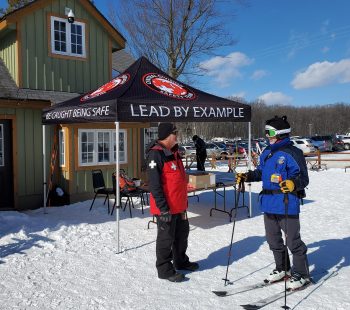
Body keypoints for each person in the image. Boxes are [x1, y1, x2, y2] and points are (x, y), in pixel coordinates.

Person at [236, 115, 310, 290]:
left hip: (286, 203)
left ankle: (303, 274)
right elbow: (261, 172)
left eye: (269, 132)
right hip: (268, 203)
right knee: (273, 240)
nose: (267, 135)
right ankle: (283, 268)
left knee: (293, 241)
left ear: (280, 133)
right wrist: (248, 176)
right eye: (266, 132)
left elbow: (303, 178)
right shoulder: (267, 152)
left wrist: (293, 183)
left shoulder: (293, 153)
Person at [146, 123, 199, 282]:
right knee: (165, 239)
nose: (177, 136)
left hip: (180, 206)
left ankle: (180, 261)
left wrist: (185, 186)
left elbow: (175, 178)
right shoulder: (156, 155)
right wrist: (163, 208)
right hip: (166, 208)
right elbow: (155, 185)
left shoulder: (174, 152)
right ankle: (164, 269)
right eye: (175, 133)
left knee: (181, 236)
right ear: (168, 135)